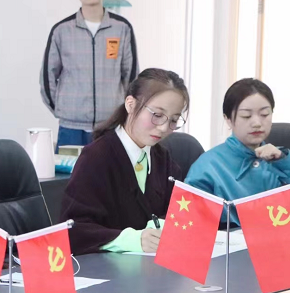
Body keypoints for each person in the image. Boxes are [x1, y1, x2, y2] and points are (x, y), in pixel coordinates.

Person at [60, 68, 188, 255]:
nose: (163, 128)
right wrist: (132, 239)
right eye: (157, 115)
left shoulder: (163, 159)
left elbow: (176, 212)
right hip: (104, 268)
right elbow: (73, 229)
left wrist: (162, 226)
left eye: (173, 120)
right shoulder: (96, 158)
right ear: (131, 104)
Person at [40, 0, 139, 150]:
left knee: (110, 169)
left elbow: (131, 77)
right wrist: (64, 110)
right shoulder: (61, 30)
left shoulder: (122, 28)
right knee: (71, 169)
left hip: (110, 127)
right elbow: (47, 78)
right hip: (71, 129)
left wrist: (121, 112)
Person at [186, 79, 290, 226]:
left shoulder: (282, 158)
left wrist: (283, 162)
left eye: (264, 114)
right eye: (246, 116)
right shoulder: (208, 166)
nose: (257, 123)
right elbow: (191, 222)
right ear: (228, 119)